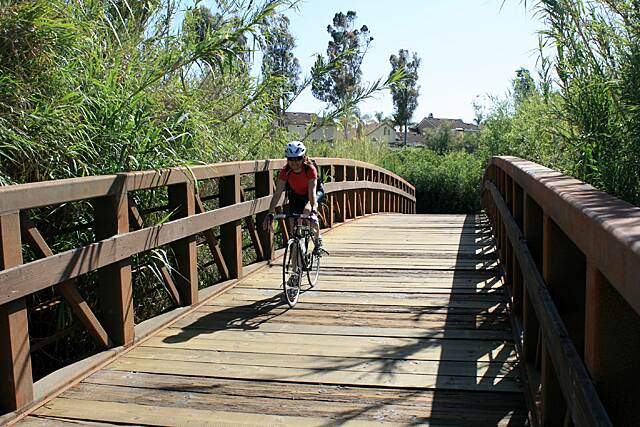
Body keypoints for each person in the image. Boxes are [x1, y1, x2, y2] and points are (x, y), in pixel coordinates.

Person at [263, 141, 324, 253]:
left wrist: (313, 211)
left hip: (313, 193)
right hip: (296, 195)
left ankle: (317, 239)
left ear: (304, 158)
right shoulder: (285, 171)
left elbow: (312, 193)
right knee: (294, 227)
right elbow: (277, 194)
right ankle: (296, 265)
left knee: (307, 210)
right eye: (291, 159)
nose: (294, 162)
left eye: (298, 158)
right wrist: (270, 212)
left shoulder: (310, 169)